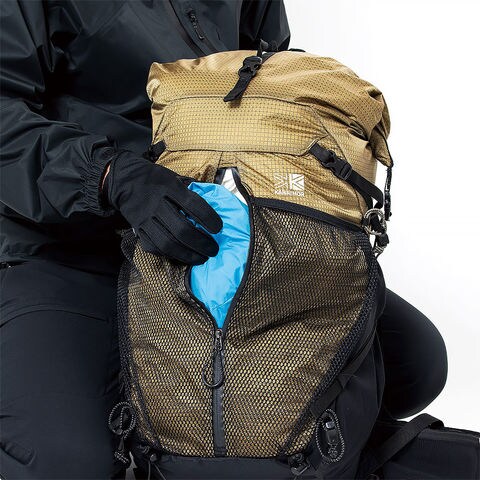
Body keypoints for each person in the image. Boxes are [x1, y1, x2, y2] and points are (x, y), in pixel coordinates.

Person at [0, 1, 446, 478]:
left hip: (207, 235)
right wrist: (110, 177)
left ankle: (264, 446)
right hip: (67, 250)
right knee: (62, 462)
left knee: (415, 362)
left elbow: (264, 68)